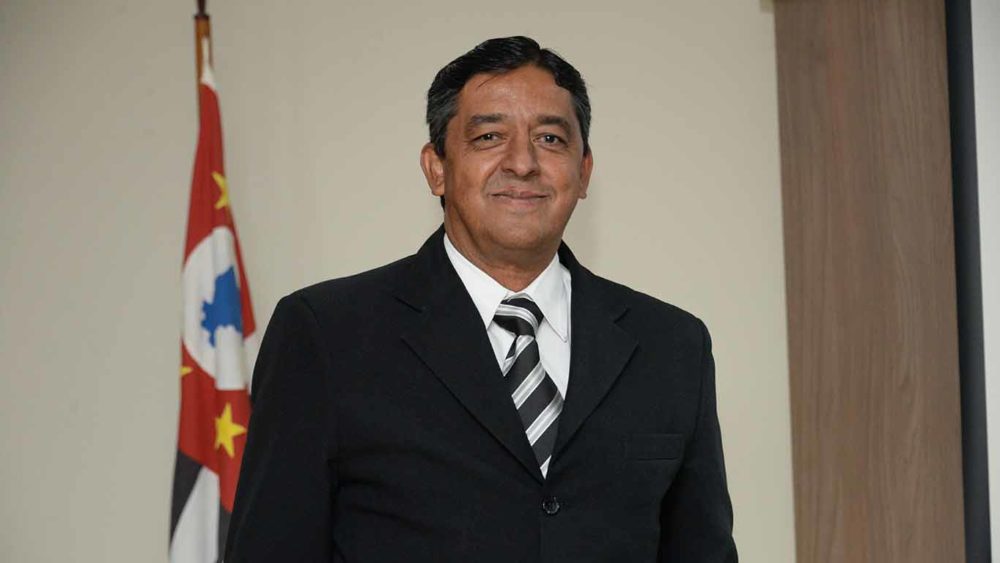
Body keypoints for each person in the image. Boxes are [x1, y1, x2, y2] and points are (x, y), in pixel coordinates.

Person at [225, 36, 737, 562]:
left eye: (550, 139)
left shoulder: (672, 346)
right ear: (437, 168)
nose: (523, 163)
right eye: (490, 136)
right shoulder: (328, 335)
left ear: (583, 171)